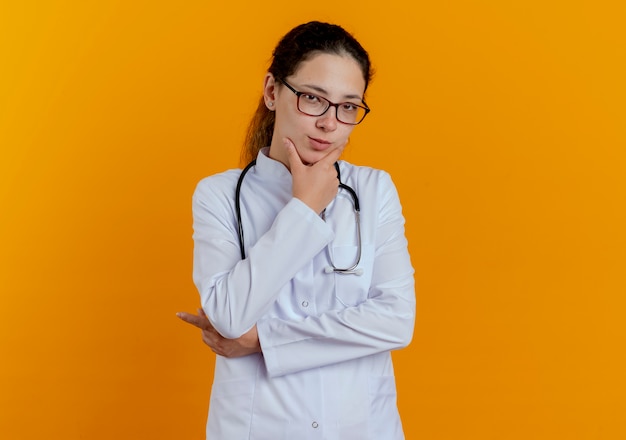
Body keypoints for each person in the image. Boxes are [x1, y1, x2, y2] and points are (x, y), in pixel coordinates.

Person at [177, 21, 416, 440]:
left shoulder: (373, 190)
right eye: (313, 99)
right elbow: (230, 317)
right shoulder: (217, 195)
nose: (329, 123)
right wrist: (304, 210)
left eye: (348, 107)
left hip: (362, 428)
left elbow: (396, 321)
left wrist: (263, 342)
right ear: (272, 91)